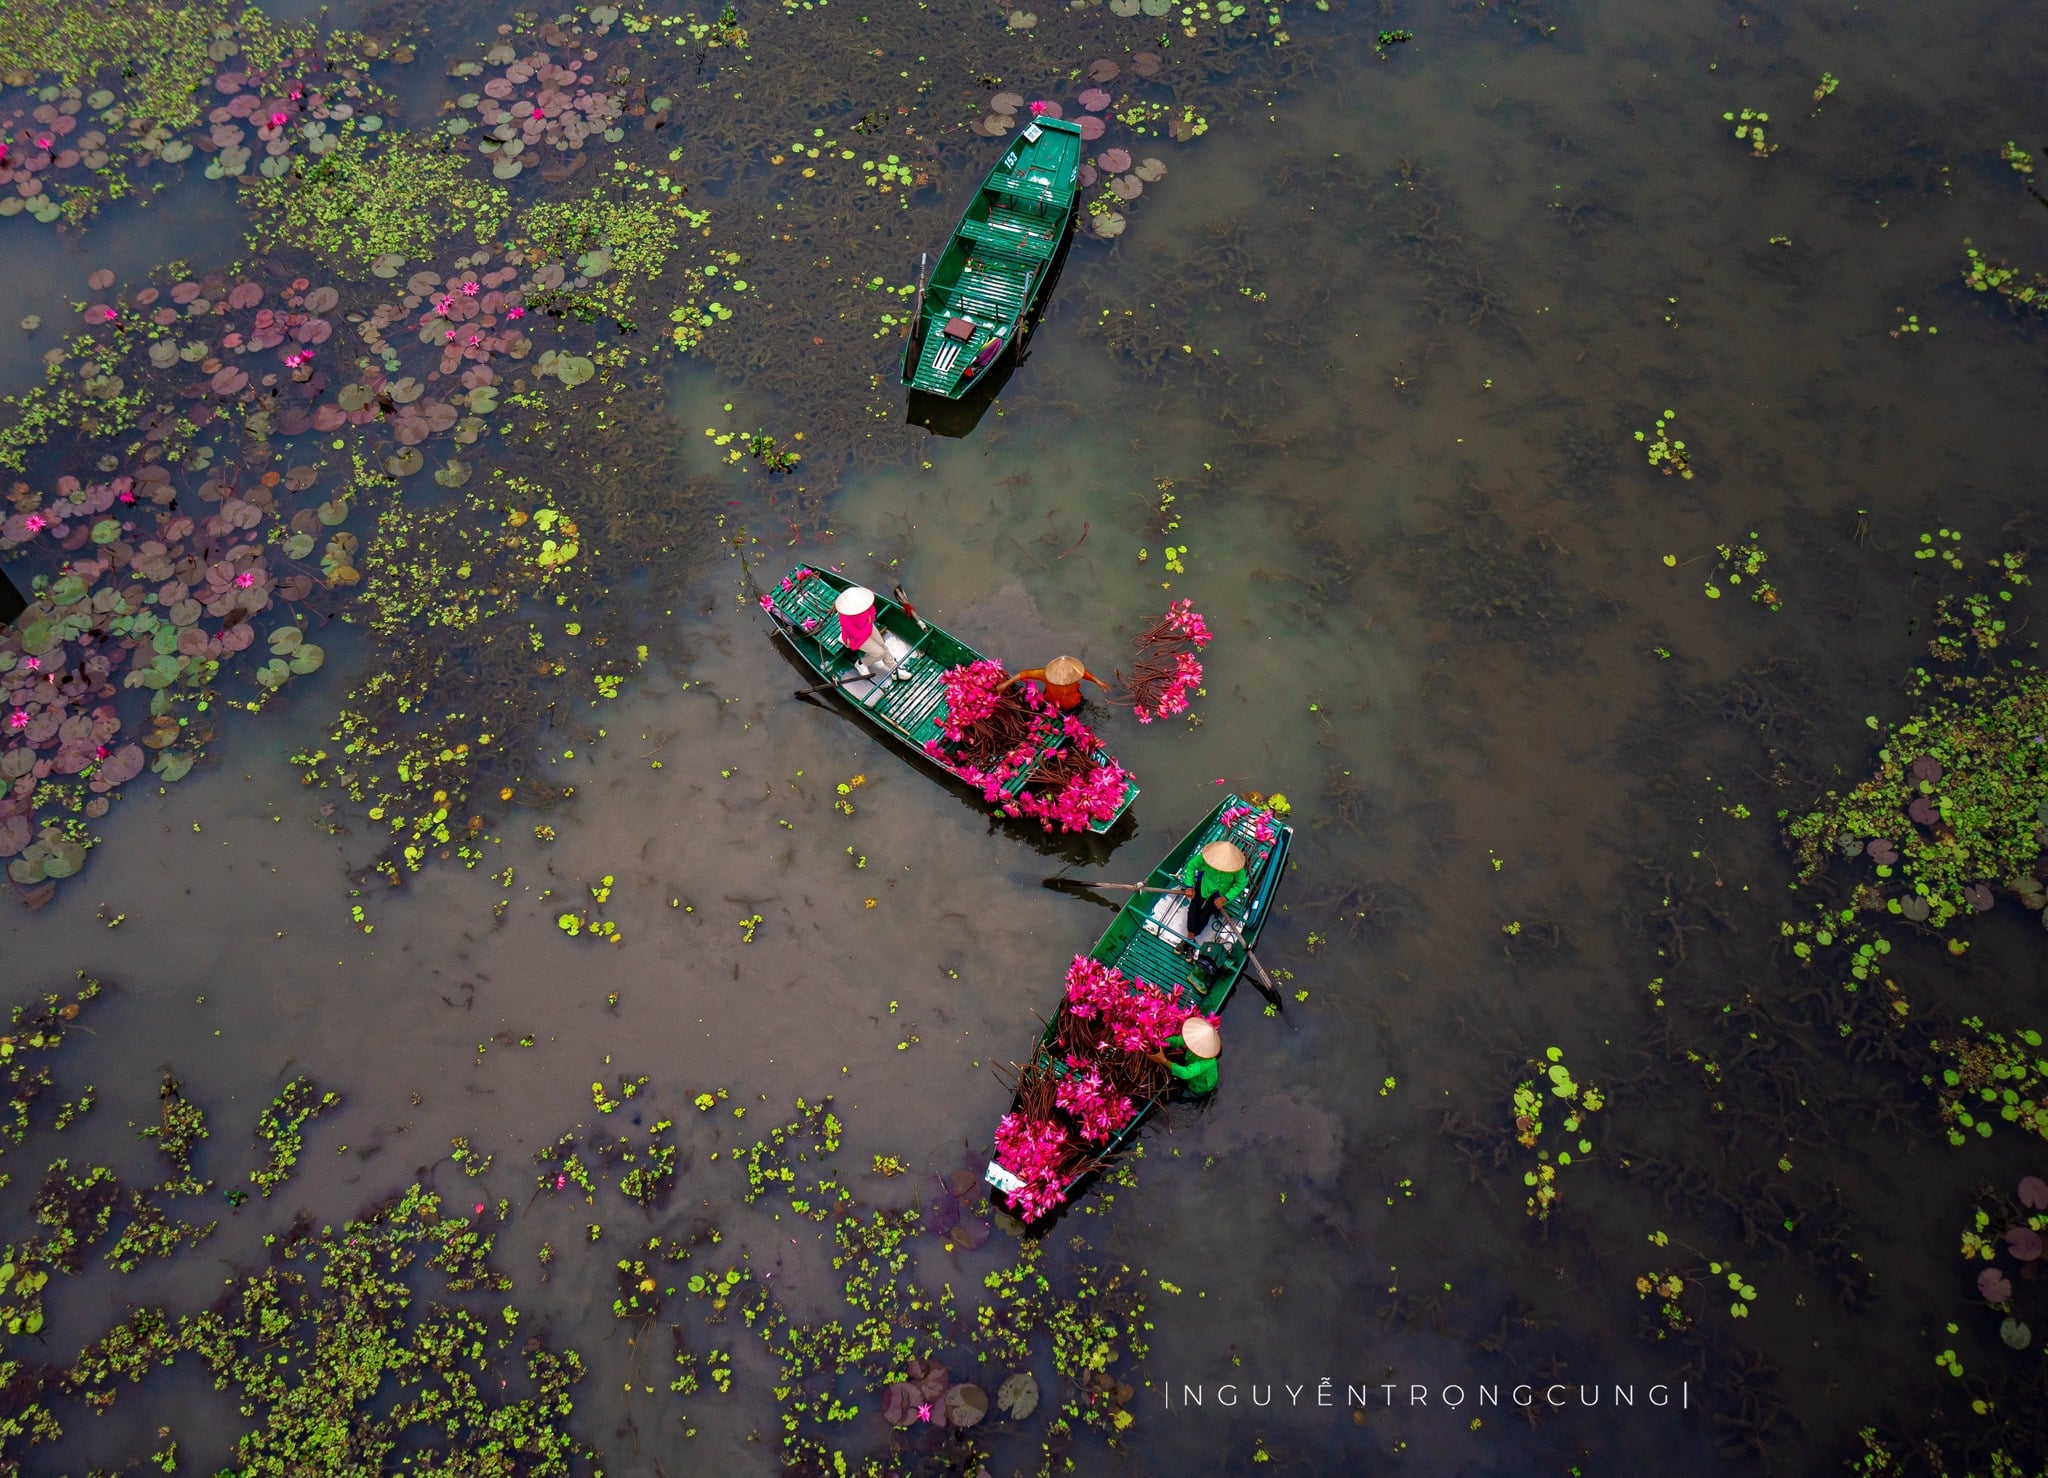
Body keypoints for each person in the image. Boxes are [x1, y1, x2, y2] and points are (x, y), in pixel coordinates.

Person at [1179, 838, 1247, 940]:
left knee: (1207, 912)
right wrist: (1189, 886)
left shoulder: (1236, 868)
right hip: (1205, 884)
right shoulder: (1206, 858)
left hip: (1222, 892)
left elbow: (1241, 883)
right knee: (1194, 908)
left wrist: (1225, 898)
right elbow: (1192, 865)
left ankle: (1189, 939)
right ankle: (1190, 938)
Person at [997, 654, 1108, 711]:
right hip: (1051, 702)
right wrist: (1006, 684)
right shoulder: (1044, 674)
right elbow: (1024, 674)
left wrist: (1098, 681)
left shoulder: (1075, 674)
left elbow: (1085, 674)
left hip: (1074, 702)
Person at [1148, 1015, 1221, 1096]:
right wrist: (1161, 1043)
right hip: (1193, 1067)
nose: (1187, 1042)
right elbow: (1178, 1041)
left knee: (1181, 1095)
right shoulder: (1194, 1039)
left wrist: (1164, 1061)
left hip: (1199, 1086)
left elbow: (1185, 1073)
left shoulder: (1208, 1062)